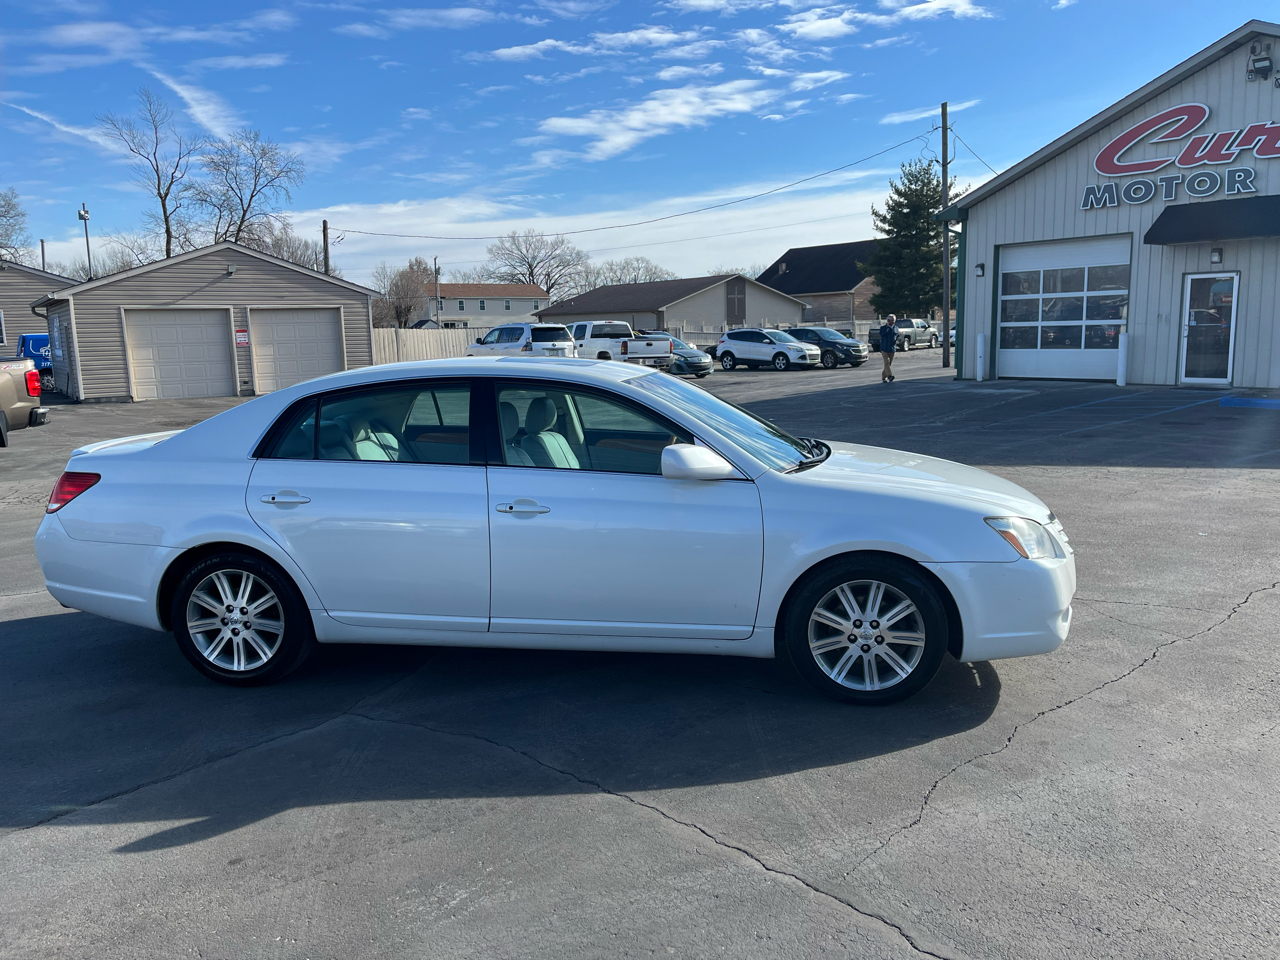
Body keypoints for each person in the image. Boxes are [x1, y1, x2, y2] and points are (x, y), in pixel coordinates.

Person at [879, 315, 898, 383]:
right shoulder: (883, 328)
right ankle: (890, 376)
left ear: (894, 321)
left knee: (888, 364)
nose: (890, 322)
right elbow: (881, 334)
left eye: (892, 320)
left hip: (892, 348)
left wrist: (898, 338)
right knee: (886, 362)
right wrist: (888, 328)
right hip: (884, 348)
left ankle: (884, 377)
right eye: (889, 320)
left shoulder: (896, 328)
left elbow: (896, 336)